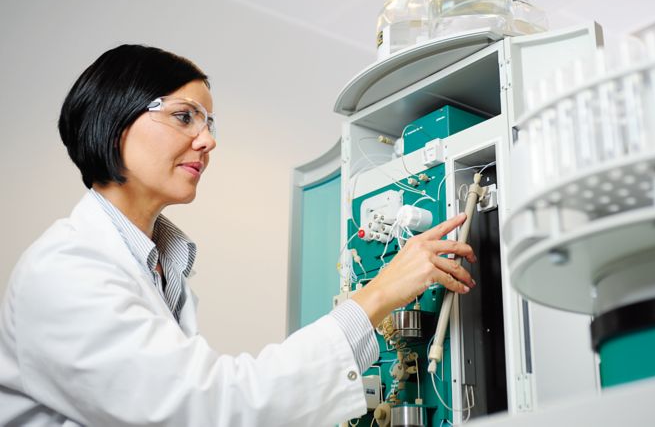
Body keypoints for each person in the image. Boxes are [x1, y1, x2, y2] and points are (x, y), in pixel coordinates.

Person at [0, 44, 476, 426]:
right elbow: (210, 407)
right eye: (185, 116)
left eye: (209, 123)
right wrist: (380, 294)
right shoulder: (65, 269)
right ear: (114, 118)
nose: (208, 141)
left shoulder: (160, 264)